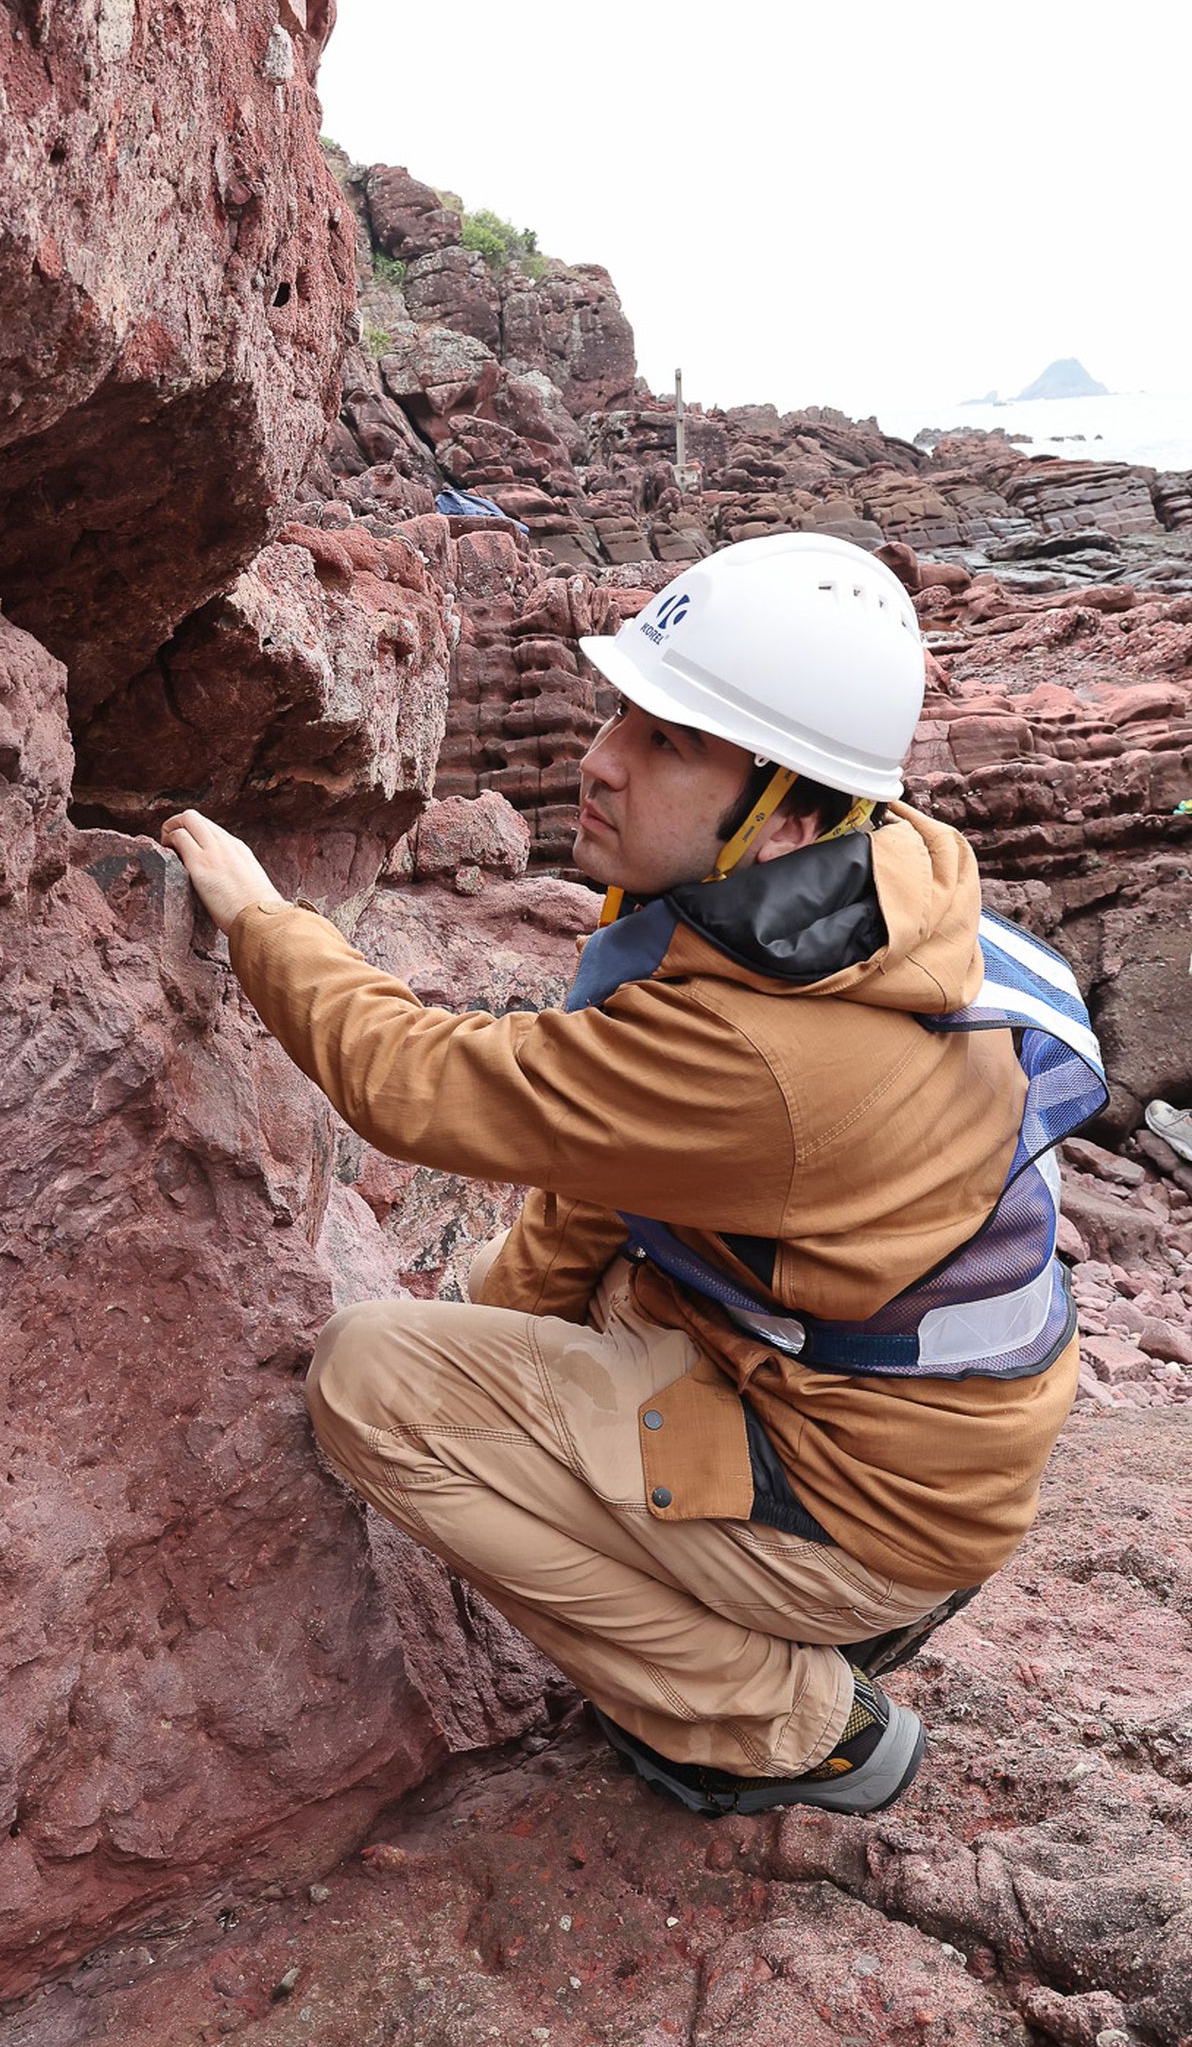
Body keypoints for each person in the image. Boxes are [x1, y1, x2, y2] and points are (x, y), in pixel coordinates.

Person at [161, 533, 1106, 1818]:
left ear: (788, 817)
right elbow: (626, 1167)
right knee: (493, 1295)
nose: (599, 757)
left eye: (666, 741)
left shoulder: (763, 1051)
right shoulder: (857, 898)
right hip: (886, 1425)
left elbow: (410, 1081)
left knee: (374, 1379)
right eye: (620, 714)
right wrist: (499, 1321)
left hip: (861, 1497)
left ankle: (790, 1719)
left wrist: (262, 918)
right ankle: (795, 1592)